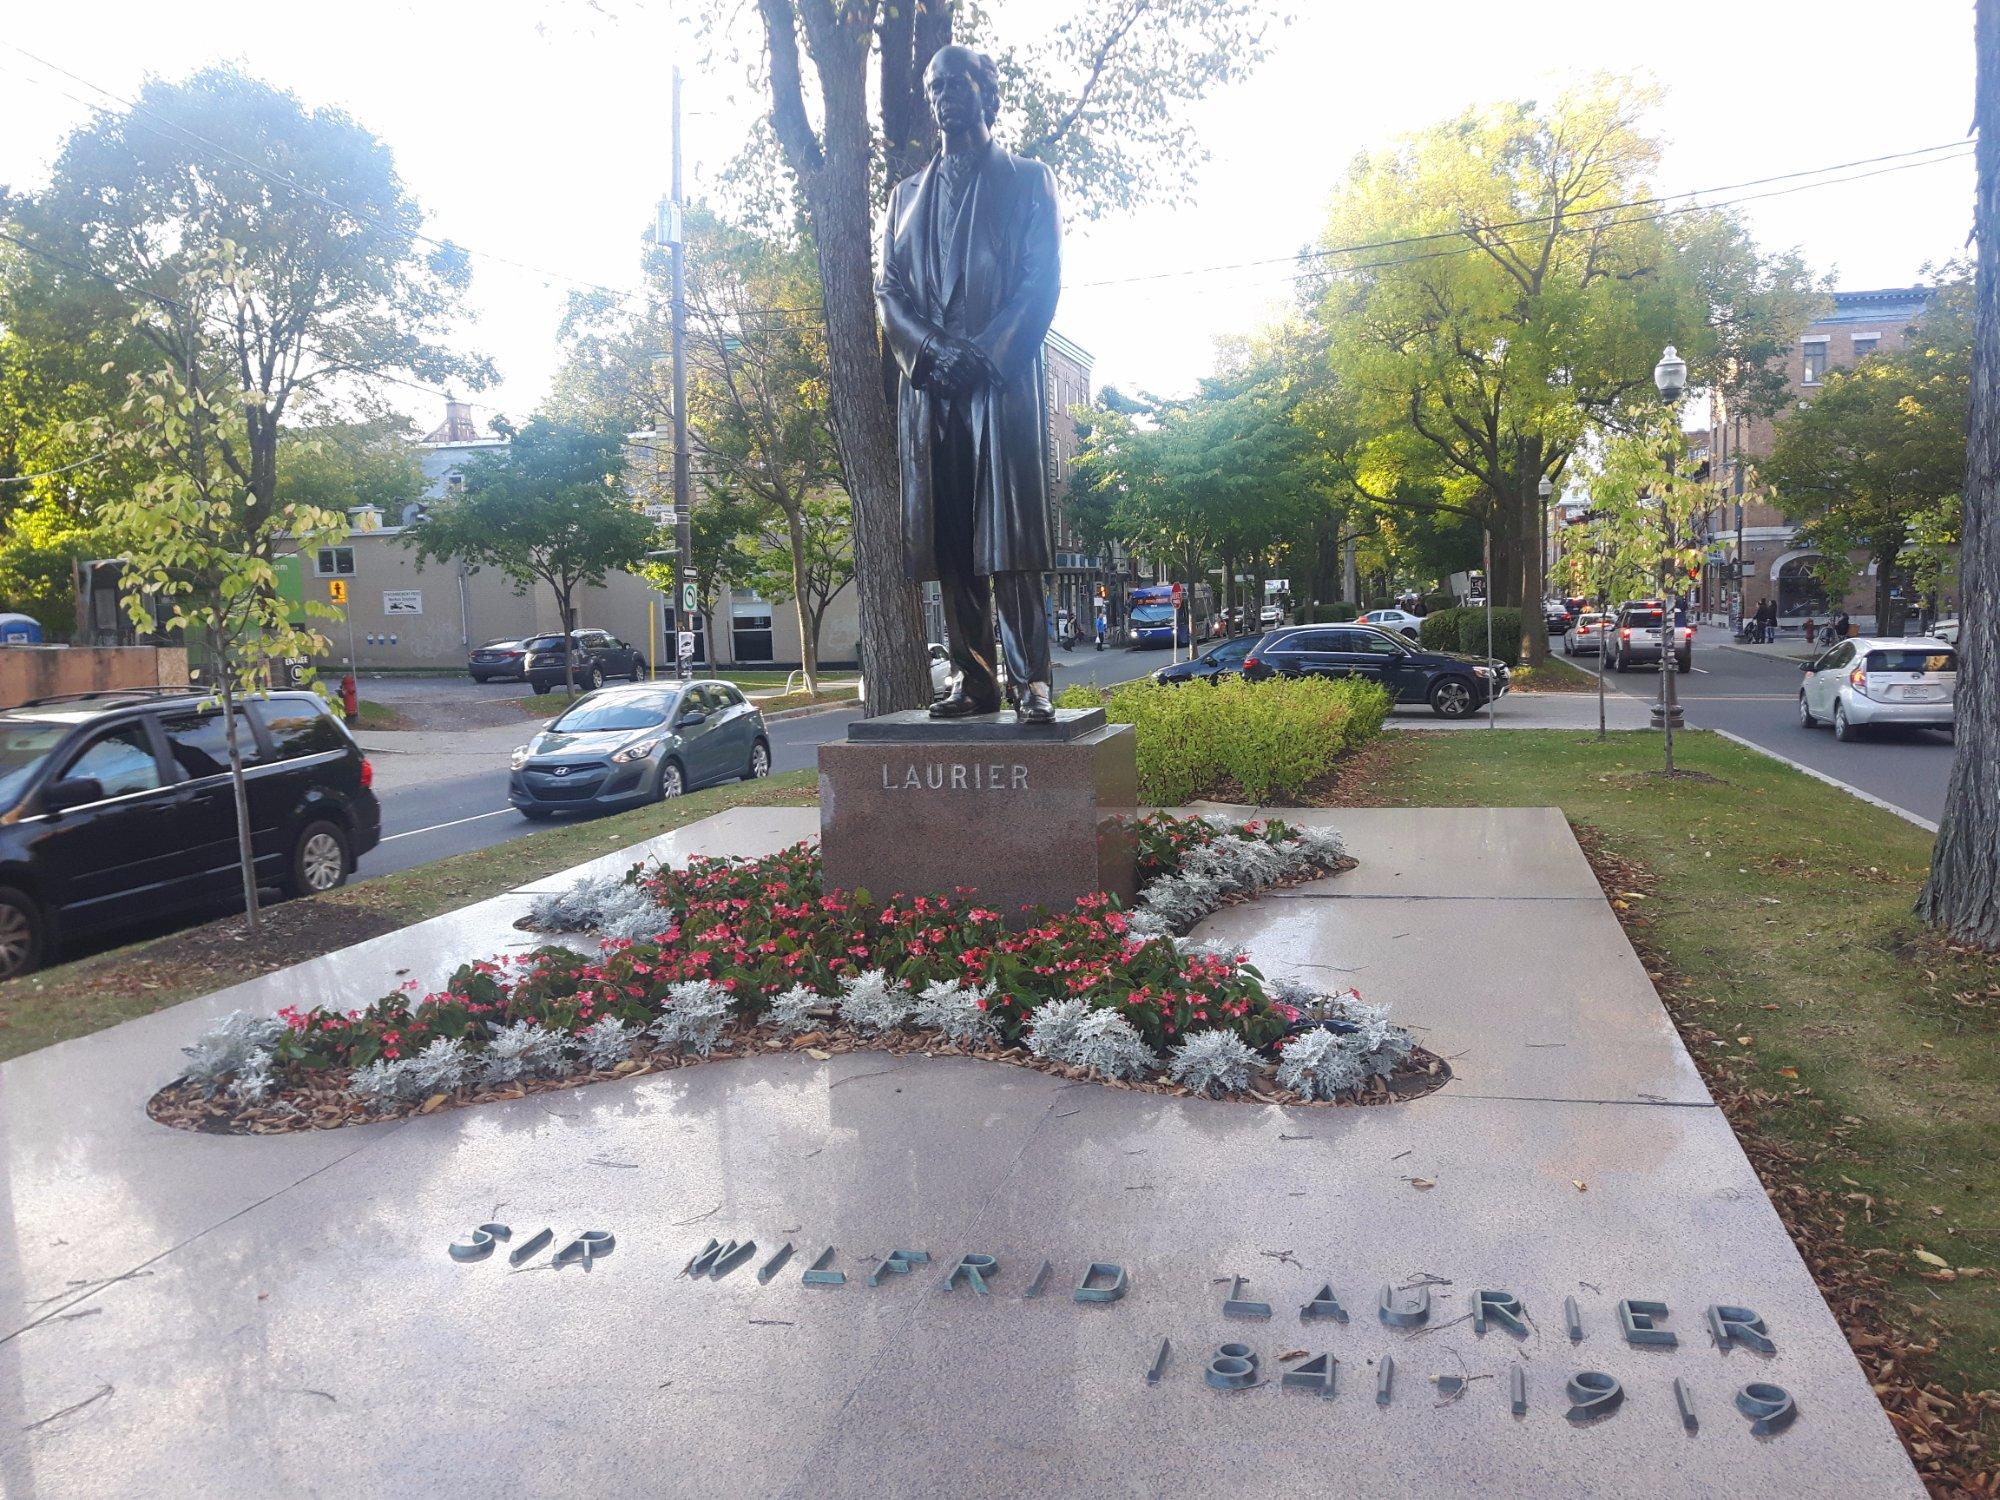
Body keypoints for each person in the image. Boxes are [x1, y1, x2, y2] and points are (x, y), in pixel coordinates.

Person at [877, 45, 1063, 724]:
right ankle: (973, 679)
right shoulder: (903, 199)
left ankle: (1031, 682)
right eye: (933, 87)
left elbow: (1040, 281)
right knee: (952, 541)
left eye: (956, 84)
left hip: (998, 380)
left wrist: (983, 354)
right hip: (931, 389)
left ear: (987, 94)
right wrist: (928, 351)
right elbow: (888, 291)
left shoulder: (1027, 179)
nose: (942, 96)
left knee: (1009, 540)